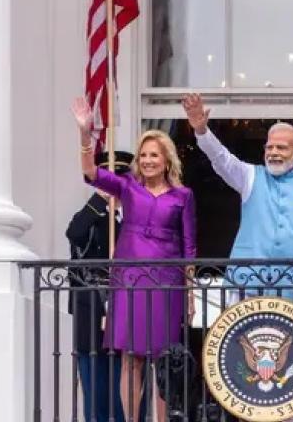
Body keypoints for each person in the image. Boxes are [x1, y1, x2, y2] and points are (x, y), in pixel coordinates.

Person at [72, 97, 197, 422]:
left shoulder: (183, 196)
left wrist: (190, 291)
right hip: (128, 280)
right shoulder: (127, 187)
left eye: (154, 154)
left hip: (166, 283)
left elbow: (189, 247)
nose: (148, 160)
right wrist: (85, 135)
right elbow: (89, 173)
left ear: (167, 159)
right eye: (143, 156)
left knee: (164, 359)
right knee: (131, 358)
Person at [181, 93, 293, 326]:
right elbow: (222, 159)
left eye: (281, 148)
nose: (273, 152)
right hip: (248, 289)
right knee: (243, 357)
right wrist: (201, 131)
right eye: (269, 147)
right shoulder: (250, 176)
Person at [66, 150, 134, 422]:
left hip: (126, 307)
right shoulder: (91, 216)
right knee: (94, 381)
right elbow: (74, 234)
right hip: (92, 309)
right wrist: (100, 199)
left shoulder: (134, 217)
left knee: (126, 380)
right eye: (106, 179)